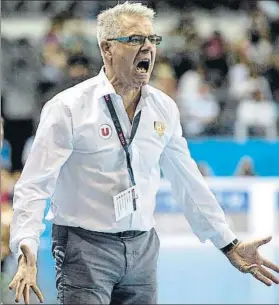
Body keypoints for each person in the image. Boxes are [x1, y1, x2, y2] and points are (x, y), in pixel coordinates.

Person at [8, 2, 279, 305]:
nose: (148, 47)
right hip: (84, 247)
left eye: (152, 39)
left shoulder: (164, 108)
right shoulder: (68, 108)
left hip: (143, 248)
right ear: (107, 48)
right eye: (135, 39)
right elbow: (35, 184)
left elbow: (188, 182)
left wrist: (228, 243)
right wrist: (25, 245)